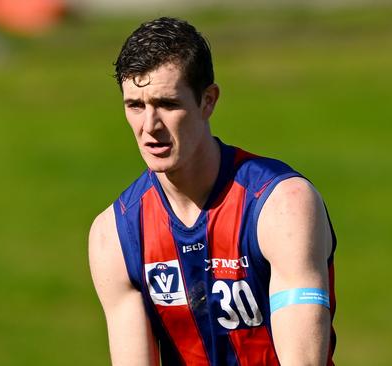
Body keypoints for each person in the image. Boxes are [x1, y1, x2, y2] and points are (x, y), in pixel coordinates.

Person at [88, 17, 337, 365]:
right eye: (135, 106)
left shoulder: (282, 206)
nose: (149, 127)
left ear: (208, 101)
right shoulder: (115, 235)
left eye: (168, 104)